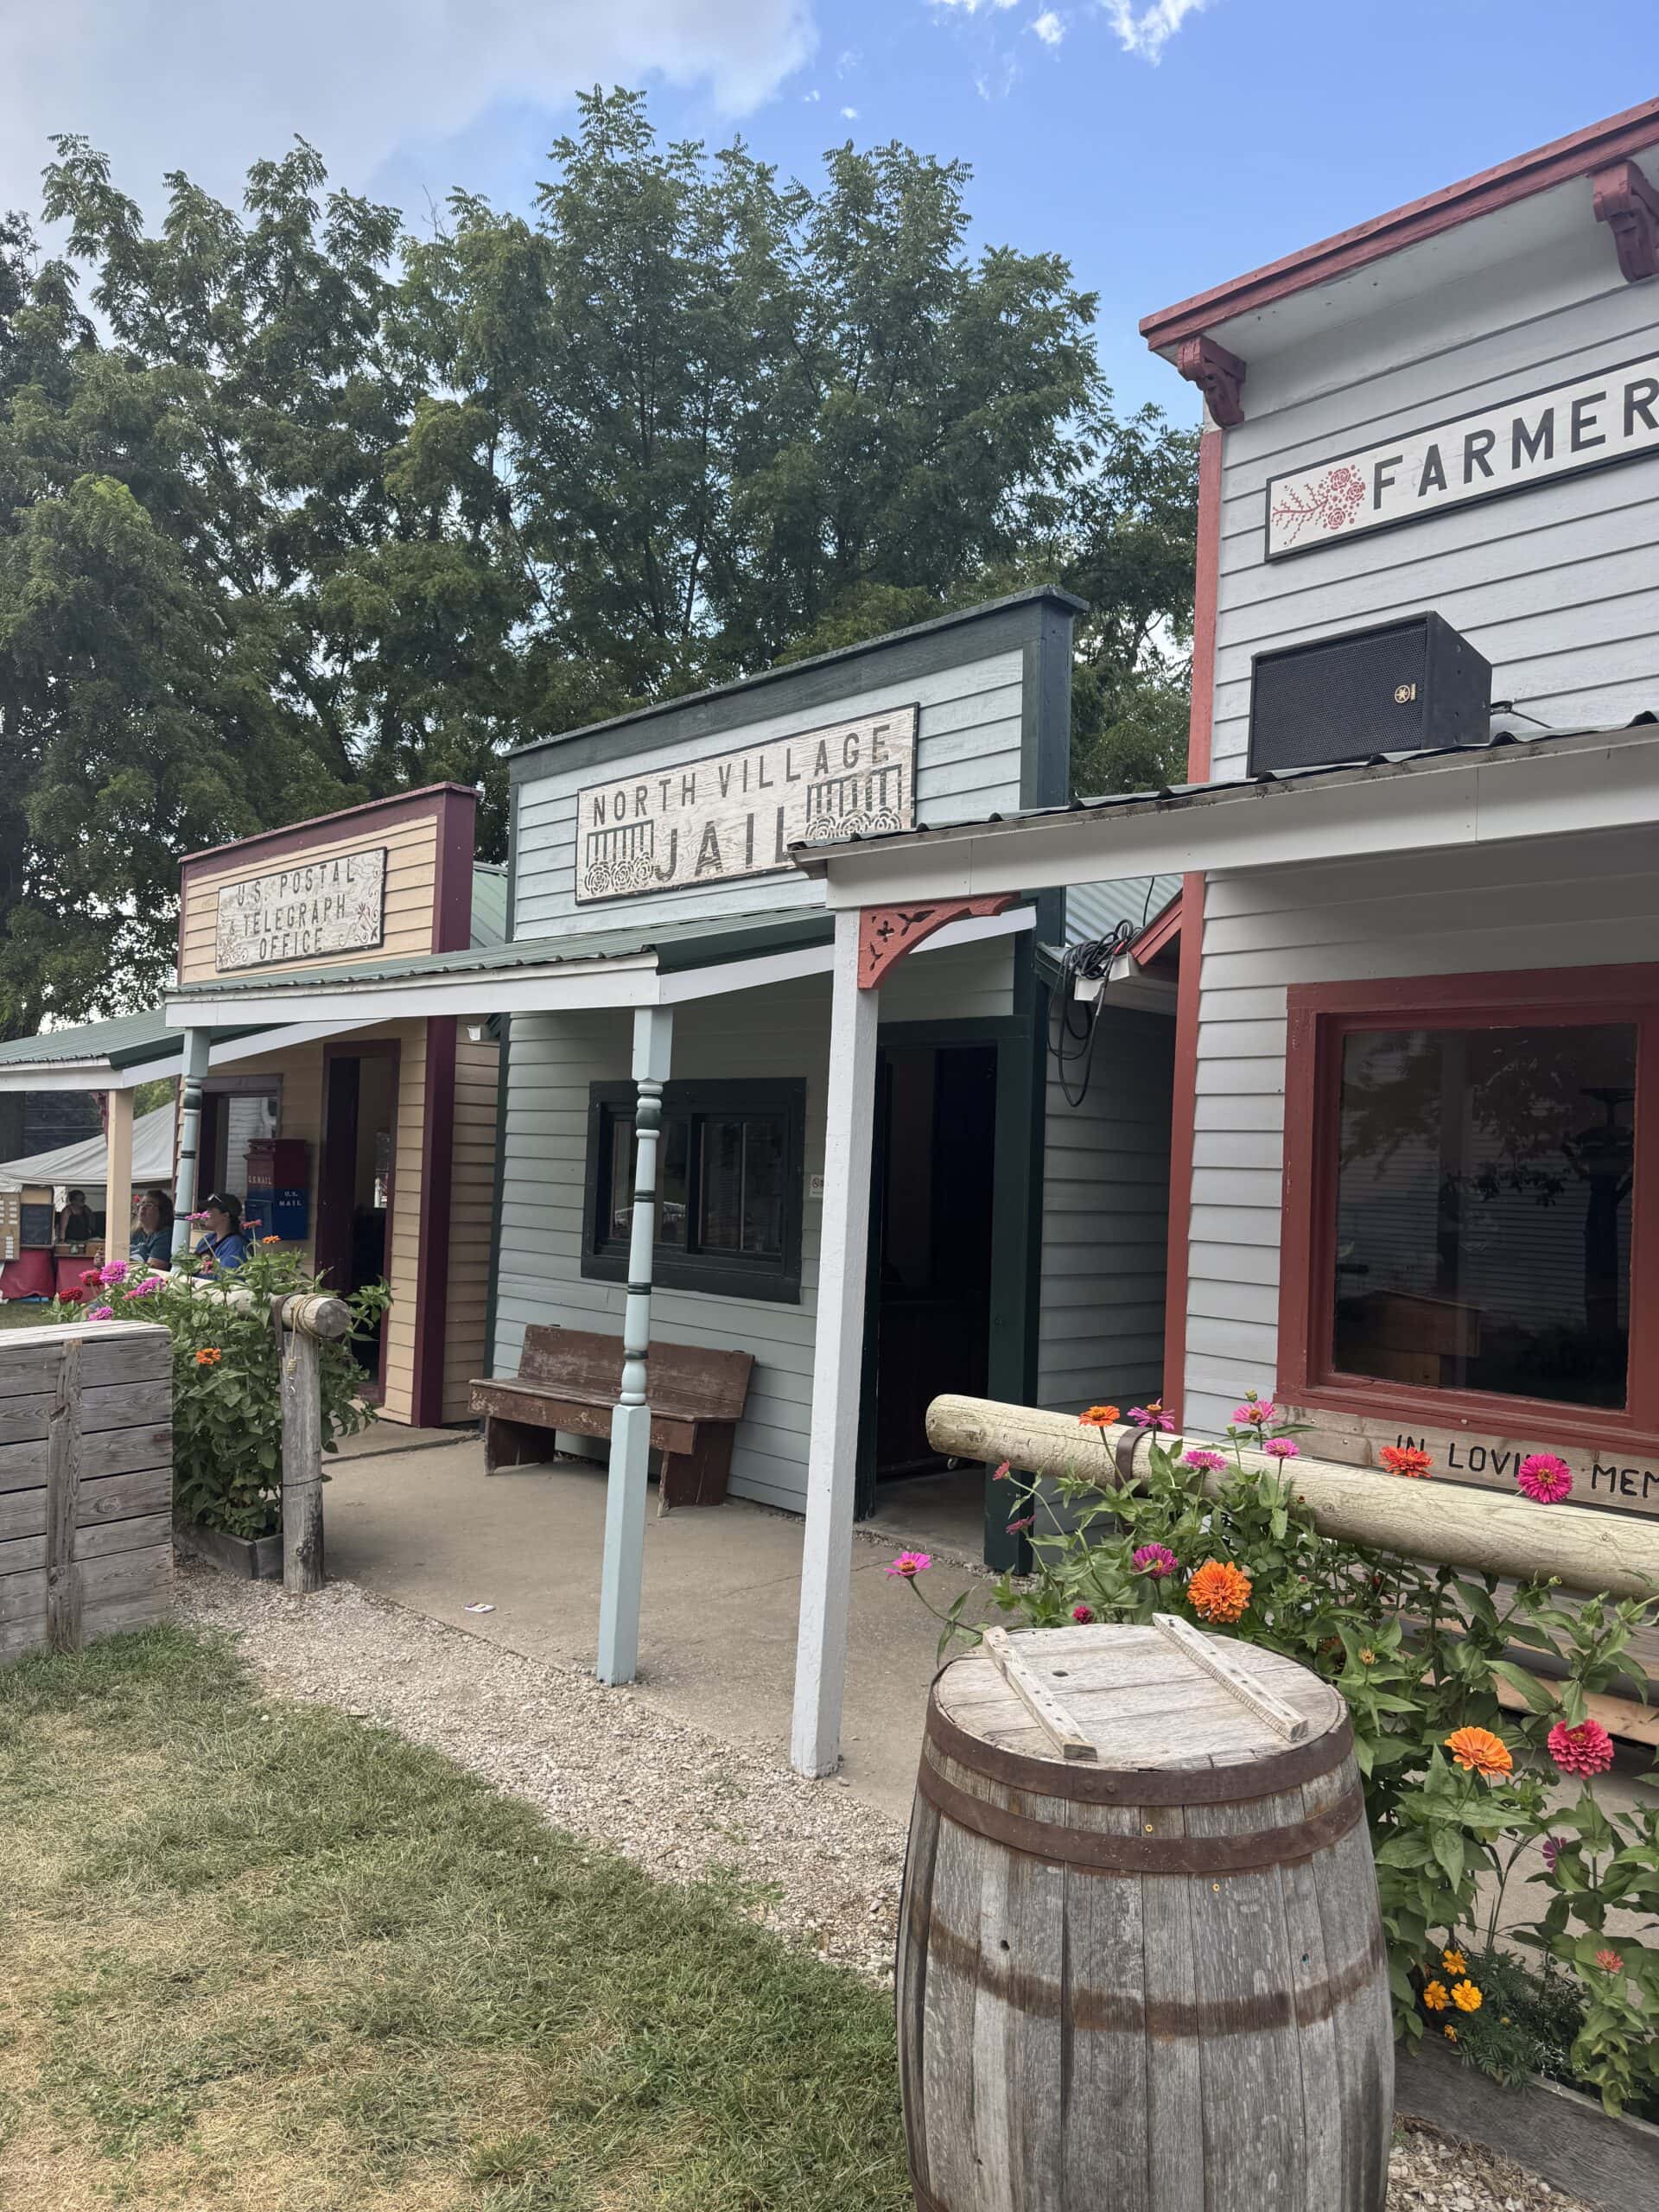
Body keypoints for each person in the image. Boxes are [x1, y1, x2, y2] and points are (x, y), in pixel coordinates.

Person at [194, 1192, 251, 1271]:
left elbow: (227, 1276)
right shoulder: (207, 1239)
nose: (205, 1214)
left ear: (225, 1215)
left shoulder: (237, 1245)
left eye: (210, 1210)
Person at [130, 1190, 175, 1269]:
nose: (143, 1207)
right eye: (142, 1203)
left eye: (149, 1205)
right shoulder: (135, 1233)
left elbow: (155, 1268)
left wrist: (120, 1262)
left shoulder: (166, 1235)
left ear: (162, 1211)